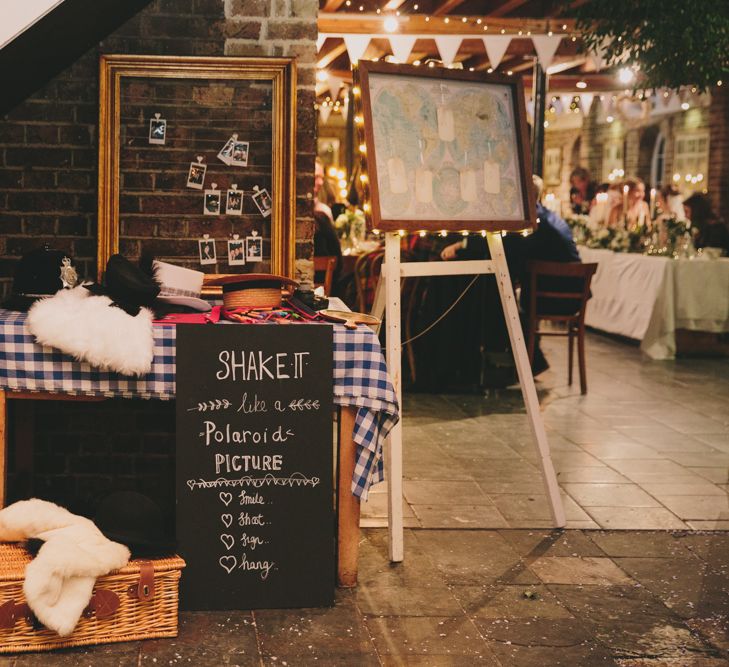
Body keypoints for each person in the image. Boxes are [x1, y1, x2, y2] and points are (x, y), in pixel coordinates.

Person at [441, 175, 583, 376]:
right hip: (567, 290)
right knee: (503, 293)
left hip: (556, 296)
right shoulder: (546, 215)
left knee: (501, 298)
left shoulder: (535, 222)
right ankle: (521, 360)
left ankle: (522, 363)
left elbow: (508, 244)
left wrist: (462, 245)